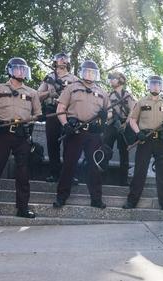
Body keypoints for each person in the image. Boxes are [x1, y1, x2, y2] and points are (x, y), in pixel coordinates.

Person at [0, 57, 41, 219]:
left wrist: (36, 118)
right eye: (17, 69)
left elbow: (37, 114)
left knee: (23, 174)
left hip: (22, 135)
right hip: (2, 133)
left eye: (23, 69)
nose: (21, 72)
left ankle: (23, 208)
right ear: (10, 70)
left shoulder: (32, 93)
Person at [52, 60, 109, 209]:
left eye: (92, 72)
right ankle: (61, 197)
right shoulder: (71, 88)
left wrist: (105, 116)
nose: (89, 74)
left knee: (94, 166)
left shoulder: (102, 92)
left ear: (96, 74)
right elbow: (61, 108)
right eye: (87, 71)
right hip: (74, 131)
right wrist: (65, 125)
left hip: (93, 134)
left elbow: (109, 113)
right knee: (69, 165)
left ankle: (96, 199)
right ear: (83, 72)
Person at [122, 76, 163, 211]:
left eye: (158, 84)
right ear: (149, 86)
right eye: (153, 84)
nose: (155, 87)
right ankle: (131, 201)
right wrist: (138, 133)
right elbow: (132, 120)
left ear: (161, 87)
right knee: (140, 171)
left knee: (162, 173)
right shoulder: (142, 101)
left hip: (161, 140)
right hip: (145, 139)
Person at [37, 53, 80, 183]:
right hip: (52, 112)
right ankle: (54, 173)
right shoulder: (49, 77)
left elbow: (79, 97)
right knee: (52, 143)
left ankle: (69, 174)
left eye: (64, 59)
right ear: (55, 61)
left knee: (70, 143)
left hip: (68, 113)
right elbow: (37, 95)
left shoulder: (74, 79)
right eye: (59, 59)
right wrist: (50, 93)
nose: (62, 61)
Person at [104, 71, 136, 185]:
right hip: (111, 125)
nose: (111, 80)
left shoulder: (128, 95)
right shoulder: (108, 95)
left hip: (124, 125)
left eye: (114, 78)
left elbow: (133, 111)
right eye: (111, 78)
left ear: (121, 80)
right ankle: (102, 178)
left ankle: (123, 180)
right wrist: (110, 117)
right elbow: (107, 110)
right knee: (106, 150)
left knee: (124, 153)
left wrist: (125, 124)